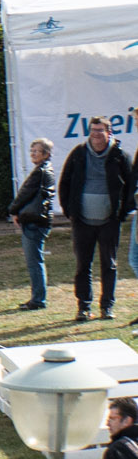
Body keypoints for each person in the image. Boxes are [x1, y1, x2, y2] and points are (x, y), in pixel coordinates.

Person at [61, 113, 134, 321]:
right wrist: (70, 211)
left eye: (100, 131)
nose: (96, 135)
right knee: (83, 265)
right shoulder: (78, 154)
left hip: (109, 221)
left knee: (109, 265)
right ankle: (84, 307)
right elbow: (65, 182)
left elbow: (130, 186)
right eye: (93, 131)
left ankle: (107, 307)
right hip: (82, 221)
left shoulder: (119, 156)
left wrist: (121, 213)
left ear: (109, 133)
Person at [13, 137, 58, 310]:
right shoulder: (44, 170)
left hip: (35, 221)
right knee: (35, 260)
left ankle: (38, 299)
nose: (32, 154)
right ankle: (38, 297)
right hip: (38, 221)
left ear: (46, 154)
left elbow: (25, 193)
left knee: (34, 262)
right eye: (31, 150)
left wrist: (13, 209)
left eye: (36, 151)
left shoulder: (40, 172)